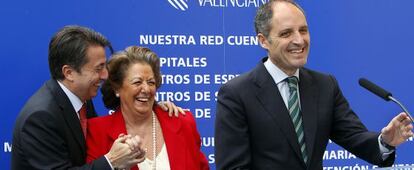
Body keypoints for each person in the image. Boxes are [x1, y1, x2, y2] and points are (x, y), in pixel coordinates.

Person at [214, 0, 414, 169]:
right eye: (286, 33)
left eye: (303, 30)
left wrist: (385, 142)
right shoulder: (236, 93)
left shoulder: (325, 85)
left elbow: (354, 137)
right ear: (263, 40)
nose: (299, 40)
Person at [11, 25, 184, 170]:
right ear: (69, 73)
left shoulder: (81, 99)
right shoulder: (41, 117)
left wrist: (151, 106)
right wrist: (111, 161)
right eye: (98, 68)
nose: (105, 75)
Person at [86, 46, 209, 170]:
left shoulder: (183, 122)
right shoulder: (96, 131)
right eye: (137, 82)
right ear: (117, 88)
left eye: (151, 82)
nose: (146, 89)